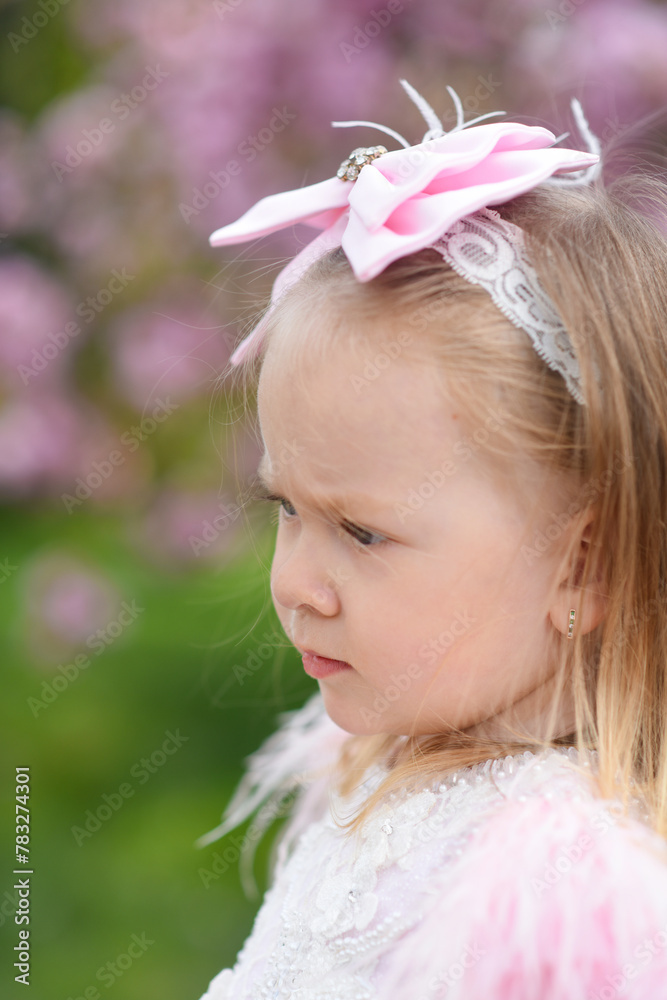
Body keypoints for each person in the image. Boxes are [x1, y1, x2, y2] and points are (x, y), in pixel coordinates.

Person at [195, 80, 667, 999]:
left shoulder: (562, 900)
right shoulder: (380, 773)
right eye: (284, 507)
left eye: (361, 531)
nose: (295, 584)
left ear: (584, 564)